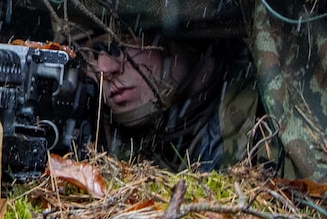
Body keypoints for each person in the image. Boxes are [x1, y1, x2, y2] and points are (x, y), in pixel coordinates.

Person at [85, 36, 264, 174]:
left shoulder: (266, 113)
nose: (105, 68)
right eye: (91, 52)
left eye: (124, 38)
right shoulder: (92, 134)